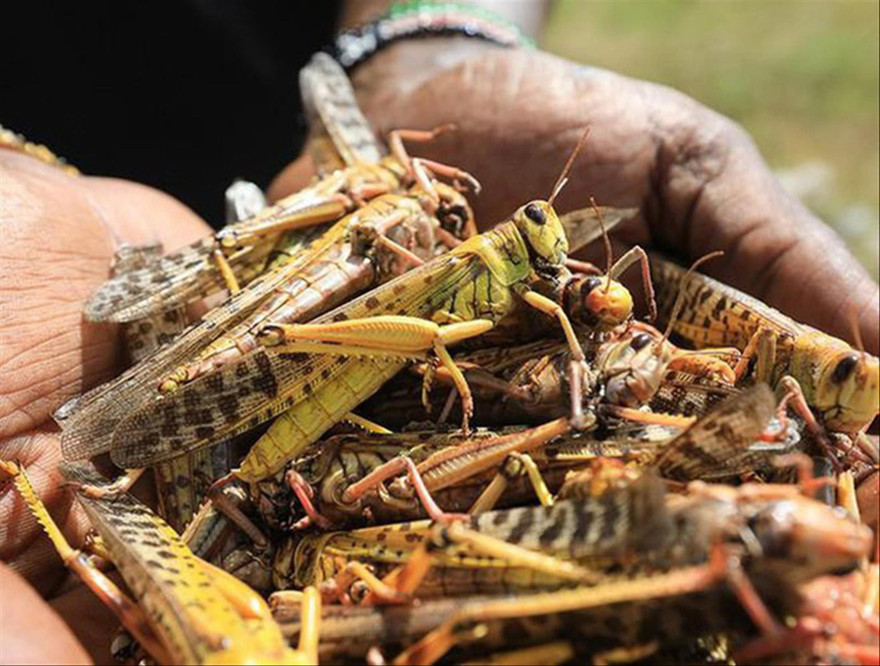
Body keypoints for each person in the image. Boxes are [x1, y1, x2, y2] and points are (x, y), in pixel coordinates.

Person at [1, 2, 877, 663]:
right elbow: (429, 335)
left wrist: (431, 36)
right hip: (244, 303)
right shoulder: (448, 255)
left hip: (325, 414)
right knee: (331, 345)